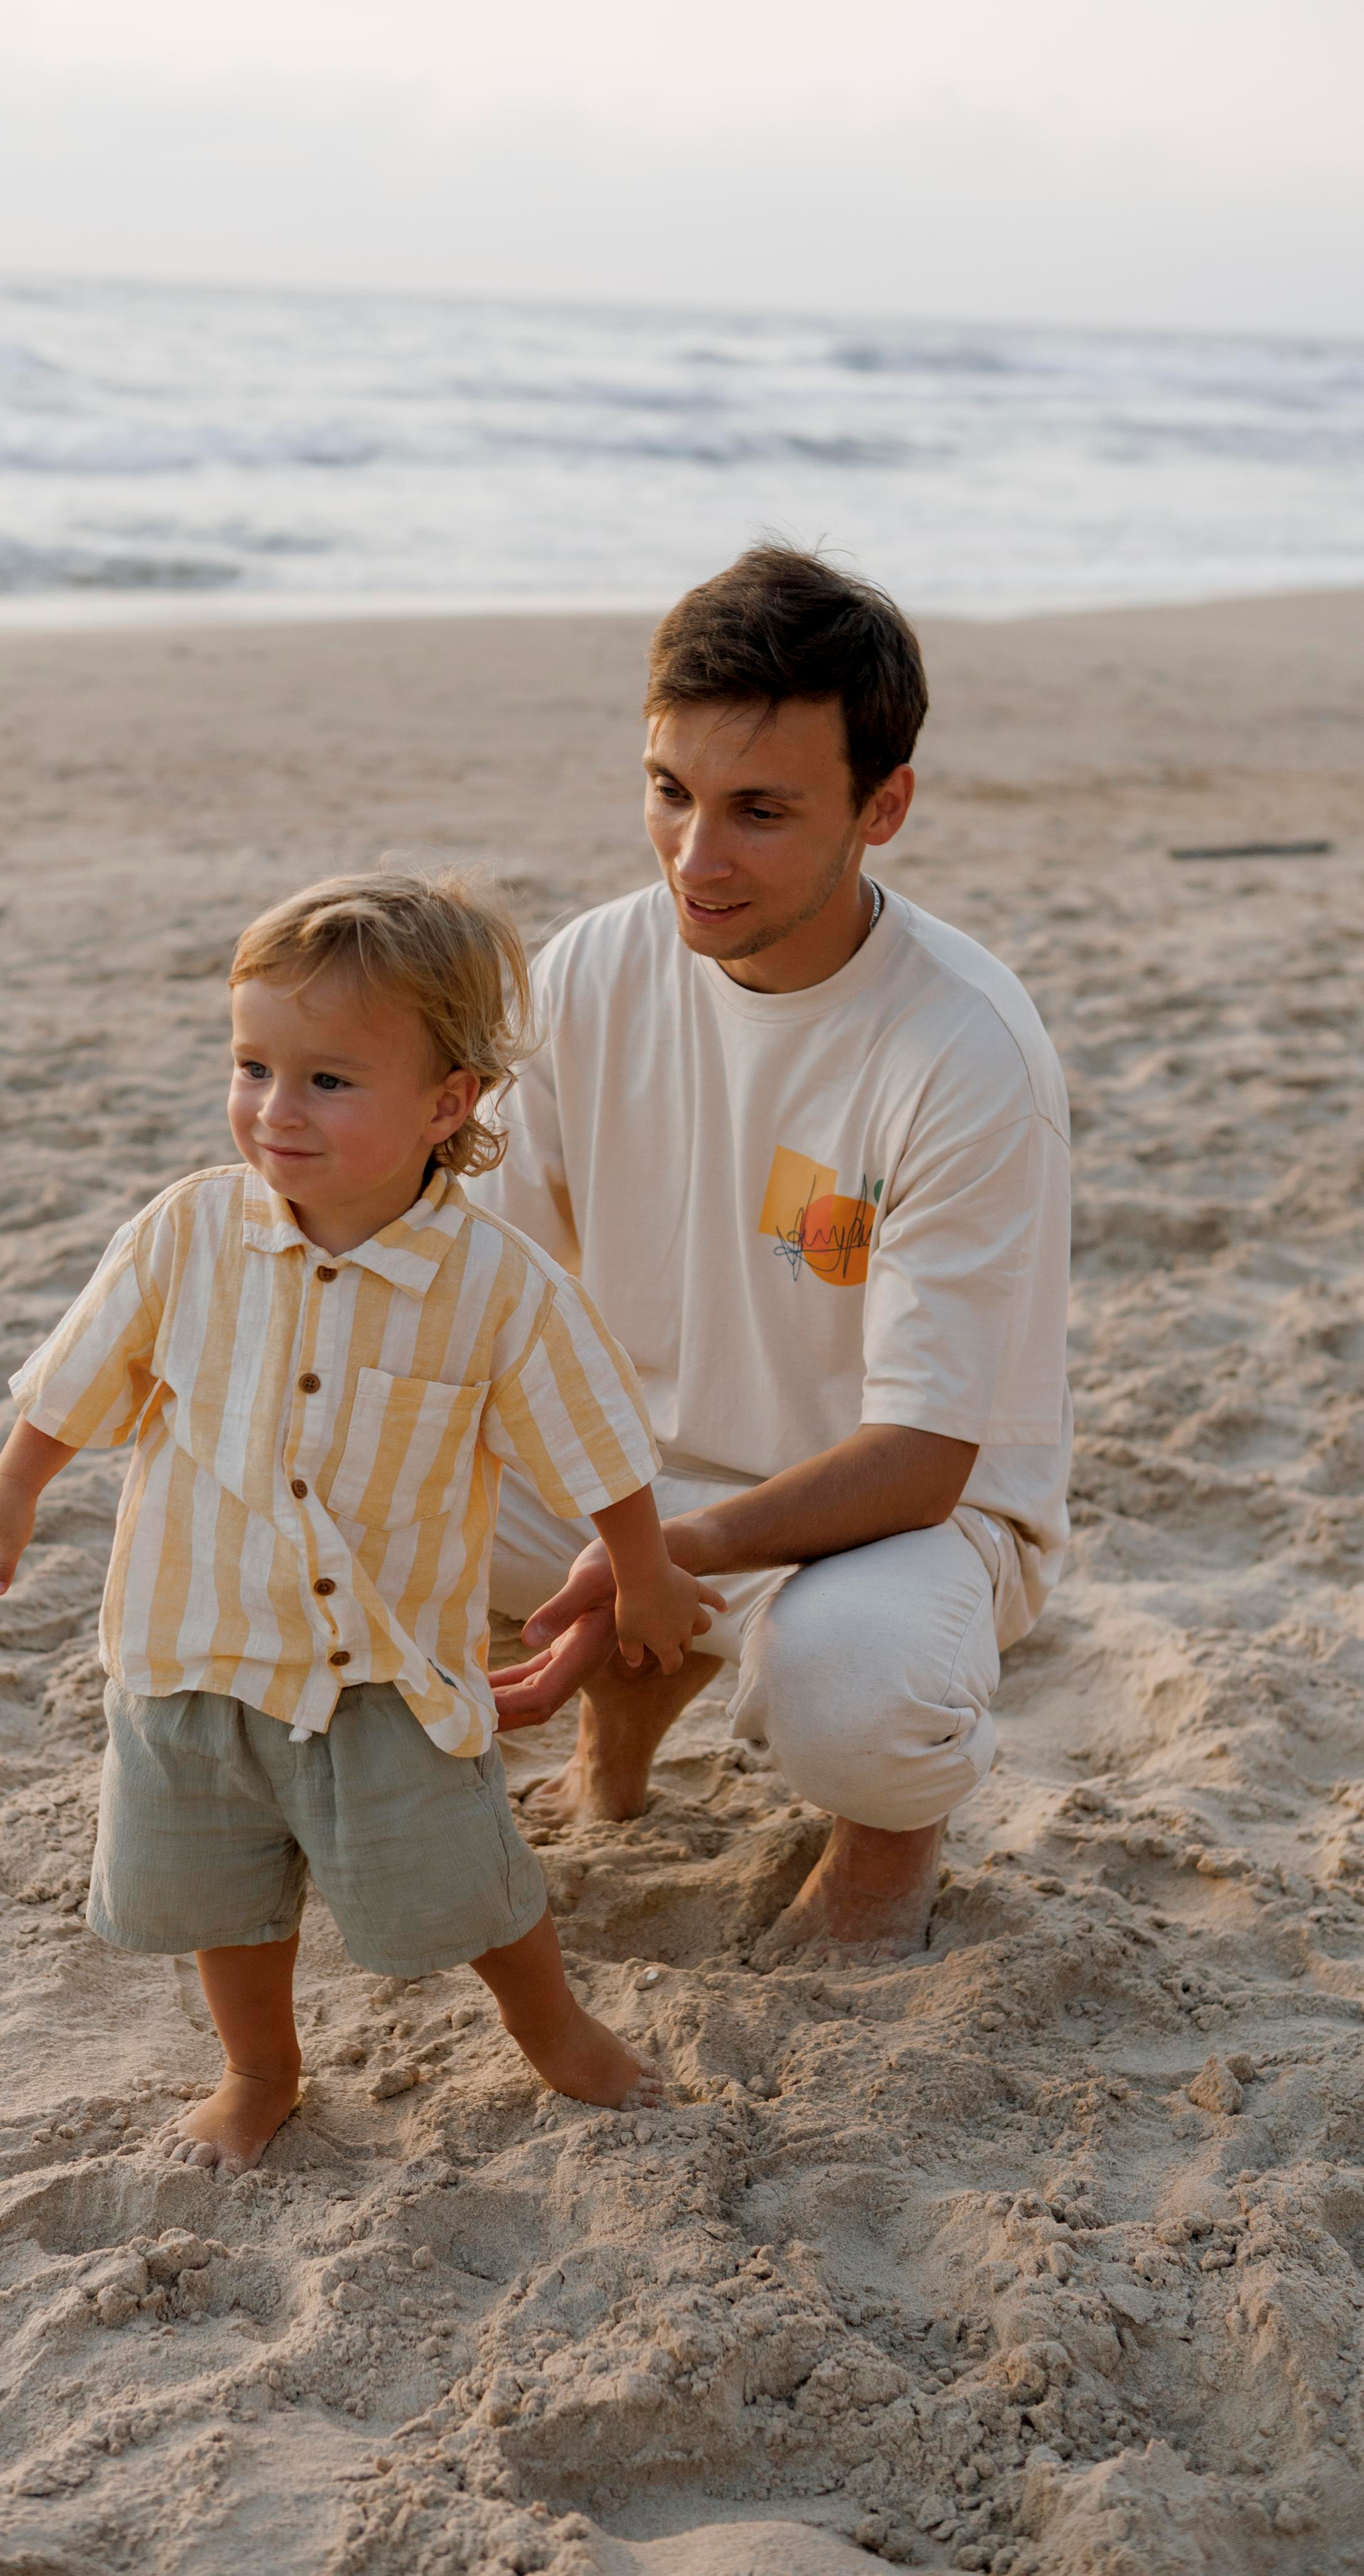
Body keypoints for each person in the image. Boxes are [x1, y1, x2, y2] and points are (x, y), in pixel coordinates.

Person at [0, 871, 722, 2173]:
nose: (273, 1110)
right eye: (253, 1065)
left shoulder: (495, 1285)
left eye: (327, 1081)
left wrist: (640, 1576)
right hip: (194, 1648)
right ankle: (260, 2071)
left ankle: (557, 2035)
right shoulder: (188, 1229)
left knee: (469, 1882)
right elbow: (83, 1372)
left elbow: (596, 1445)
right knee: (221, 1896)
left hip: (382, 1675)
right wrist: (12, 1489)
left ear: (447, 1102)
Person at [475, 545, 1072, 1956]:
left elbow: (921, 1460)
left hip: (907, 1523)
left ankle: (883, 1843)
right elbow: (484, 1300)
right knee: (346, 1491)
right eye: (669, 793)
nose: (695, 855)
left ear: (884, 808)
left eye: (757, 811)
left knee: (855, 1696)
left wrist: (656, 1547)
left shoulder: (962, 1049)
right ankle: (639, 1687)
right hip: (642, 1483)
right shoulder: (593, 970)